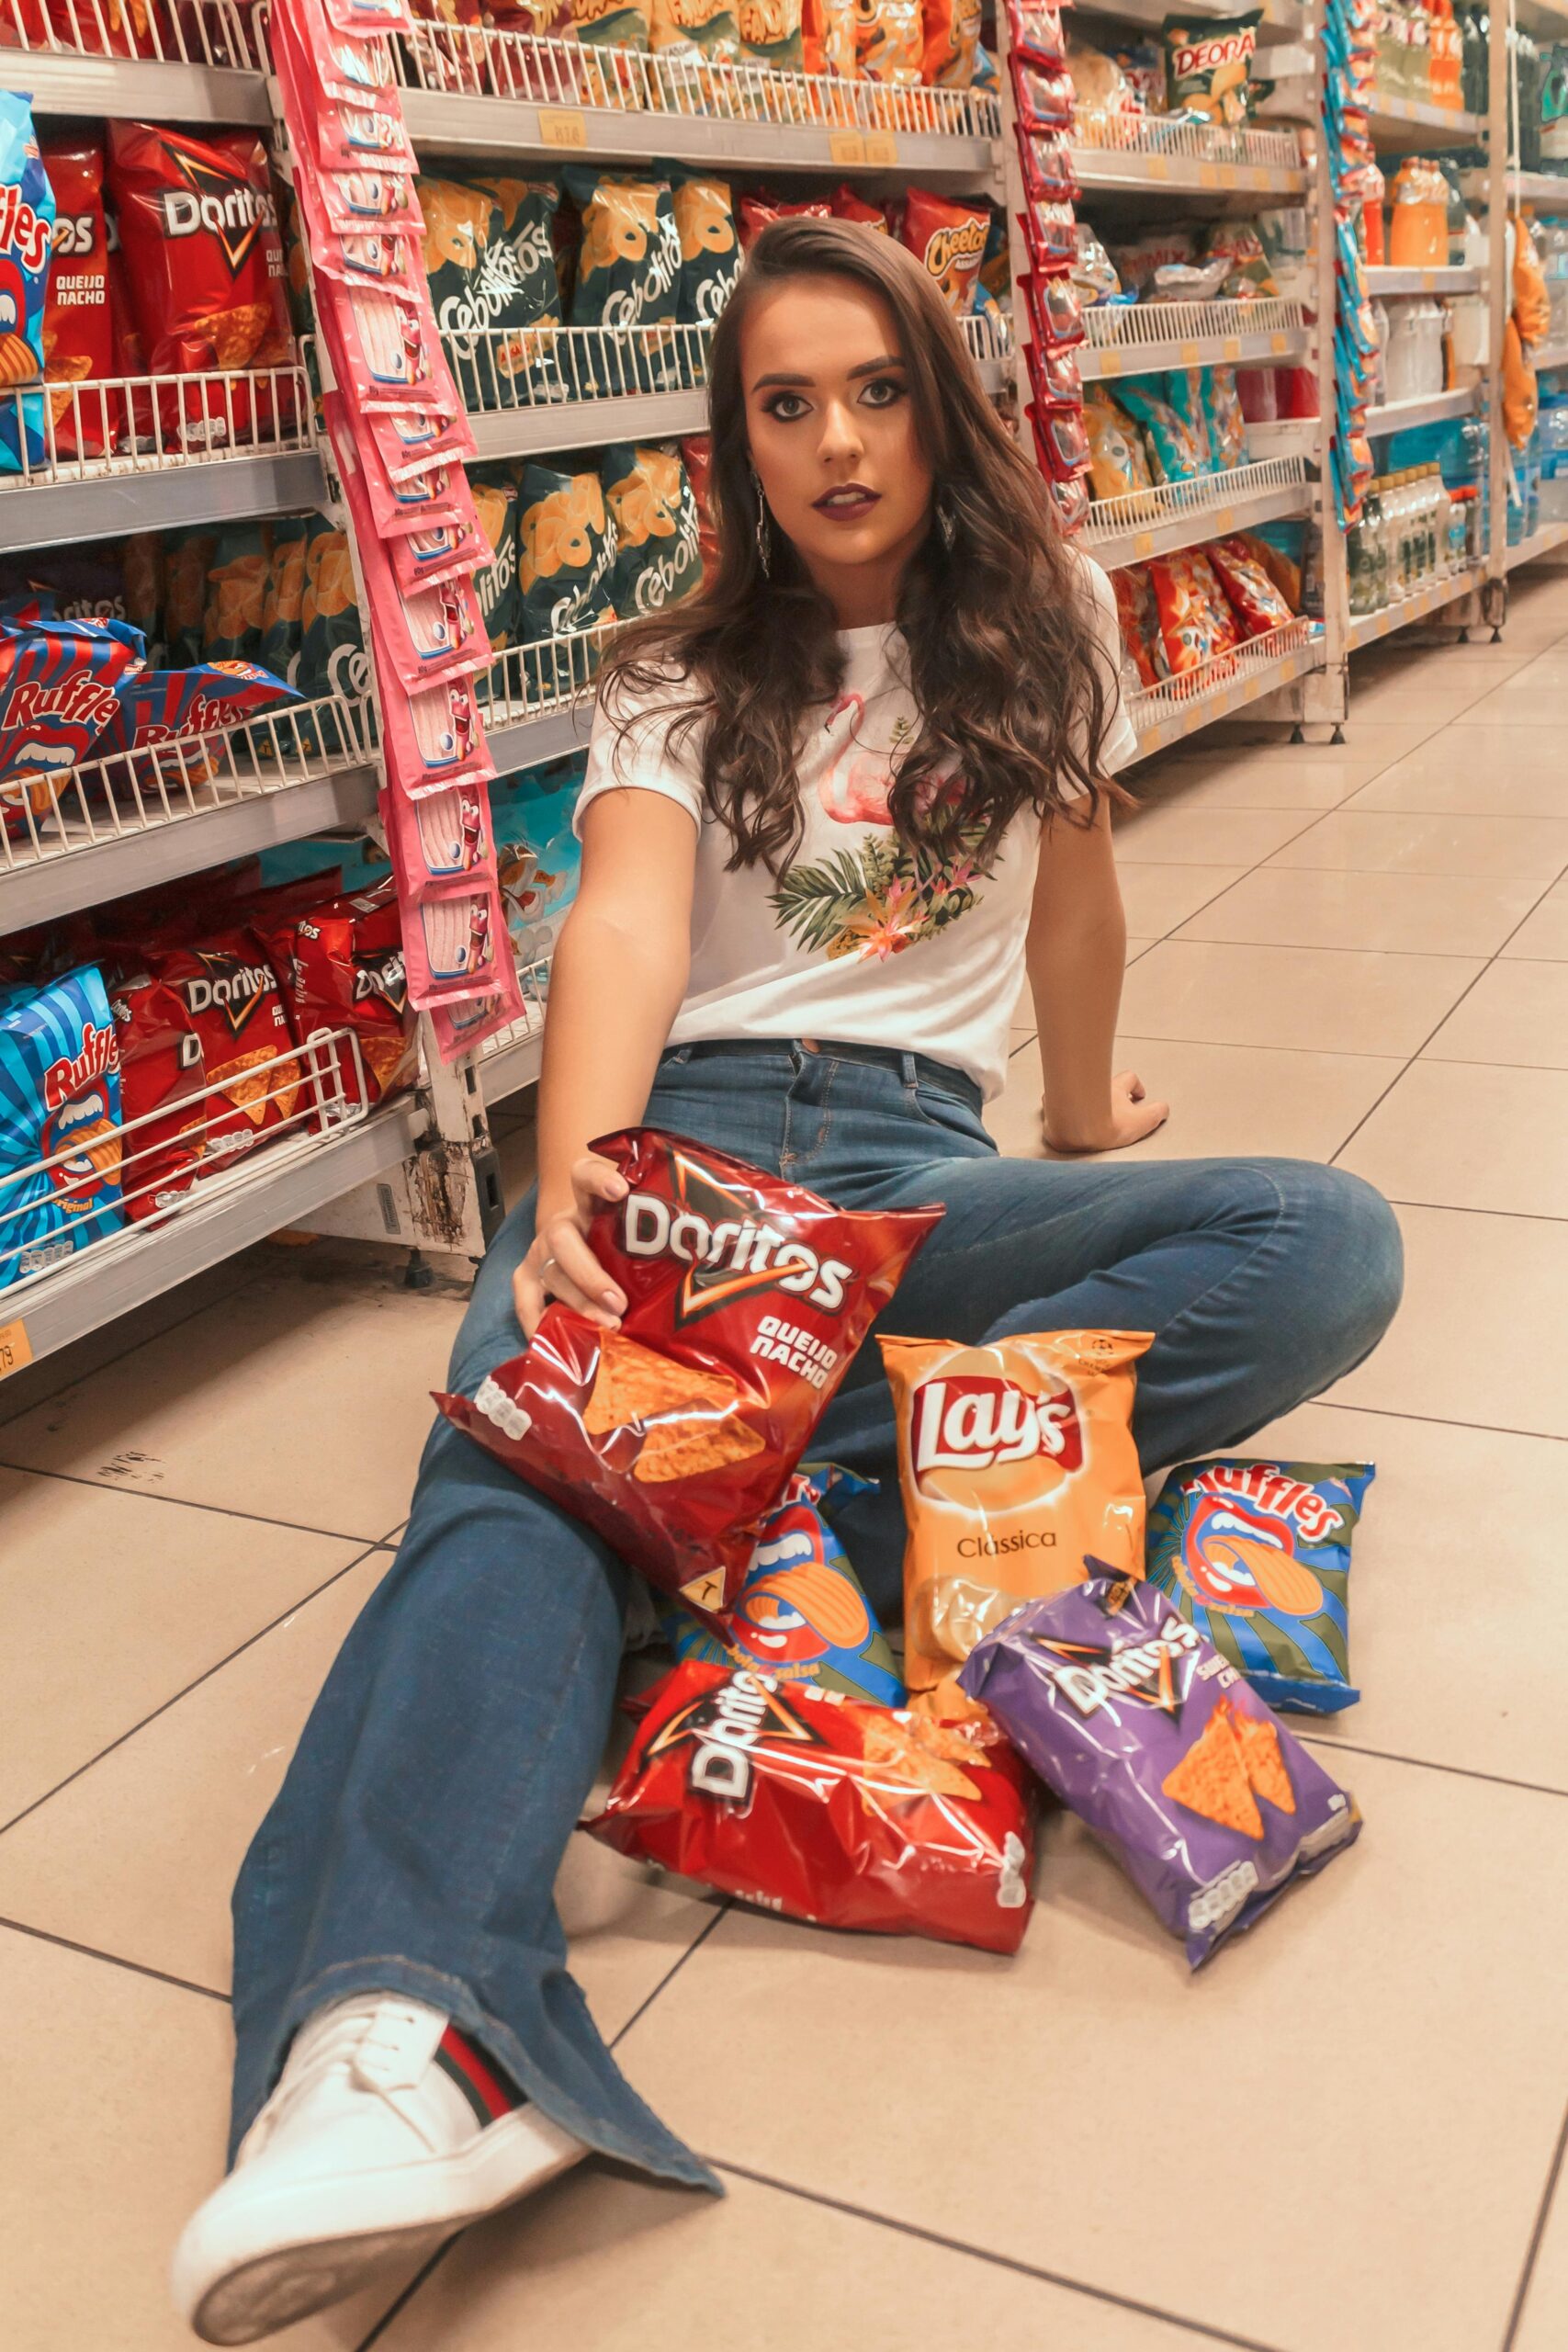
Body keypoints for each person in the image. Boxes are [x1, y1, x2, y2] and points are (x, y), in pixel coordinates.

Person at [172, 220, 1403, 2343]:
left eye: (874, 390)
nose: (835, 440)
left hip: (919, 1172)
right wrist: (581, 1185)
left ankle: (714, 1502)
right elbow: (629, 934)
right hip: (695, 1151)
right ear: (732, 441)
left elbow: (1073, 904)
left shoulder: (1054, 620)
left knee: (1326, 1239)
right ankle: (405, 2023)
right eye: (781, 403)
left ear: (939, 404)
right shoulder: (671, 667)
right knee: (522, 1466)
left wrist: (1091, 1116)